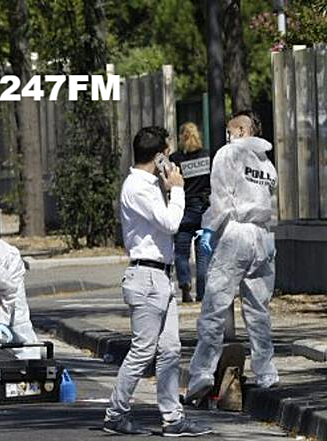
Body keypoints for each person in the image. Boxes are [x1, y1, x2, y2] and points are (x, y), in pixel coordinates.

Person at [103, 126, 212, 437]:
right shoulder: (137, 187)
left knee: (170, 349)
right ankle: (115, 413)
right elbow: (170, 223)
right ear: (159, 155)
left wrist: (167, 187)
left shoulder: (149, 184)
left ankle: (172, 418)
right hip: (147, 277)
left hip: (160, 277)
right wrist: (177, 188)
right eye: (167, 153)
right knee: (143, 350)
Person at [185, 112, 279, 403]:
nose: (227, 135)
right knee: (258, 310)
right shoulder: (266, 162)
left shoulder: (229, 154)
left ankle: (202, 372)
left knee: (215, 305)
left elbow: (222, 200)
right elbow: (269, 201)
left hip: (235, 234)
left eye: (230, 130)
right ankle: (266, 372)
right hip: (262, 237)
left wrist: (209, 230)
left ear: (240, 130)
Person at [169, 122, 211, 303]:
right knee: (202, 255)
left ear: (181, 137)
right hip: (203, 209)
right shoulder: (207, 156)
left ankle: (185, 286)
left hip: (183, 210)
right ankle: (202, 293)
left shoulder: (176, 159)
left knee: (181, 252)